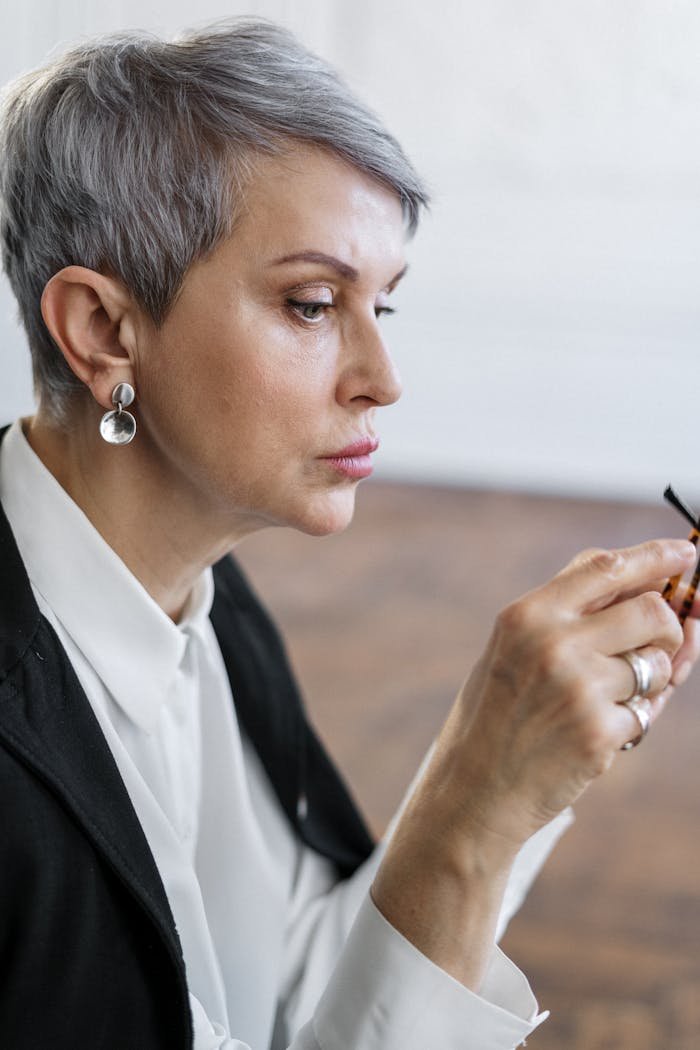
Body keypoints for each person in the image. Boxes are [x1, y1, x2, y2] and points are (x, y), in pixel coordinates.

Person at [0, 19, 697, 1050]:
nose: (383, 378)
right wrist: (472, 806)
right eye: (314, 303)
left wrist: (510, 770)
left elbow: (293, 995)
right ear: (103, 331)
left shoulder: (209, 606)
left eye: (385, 306)